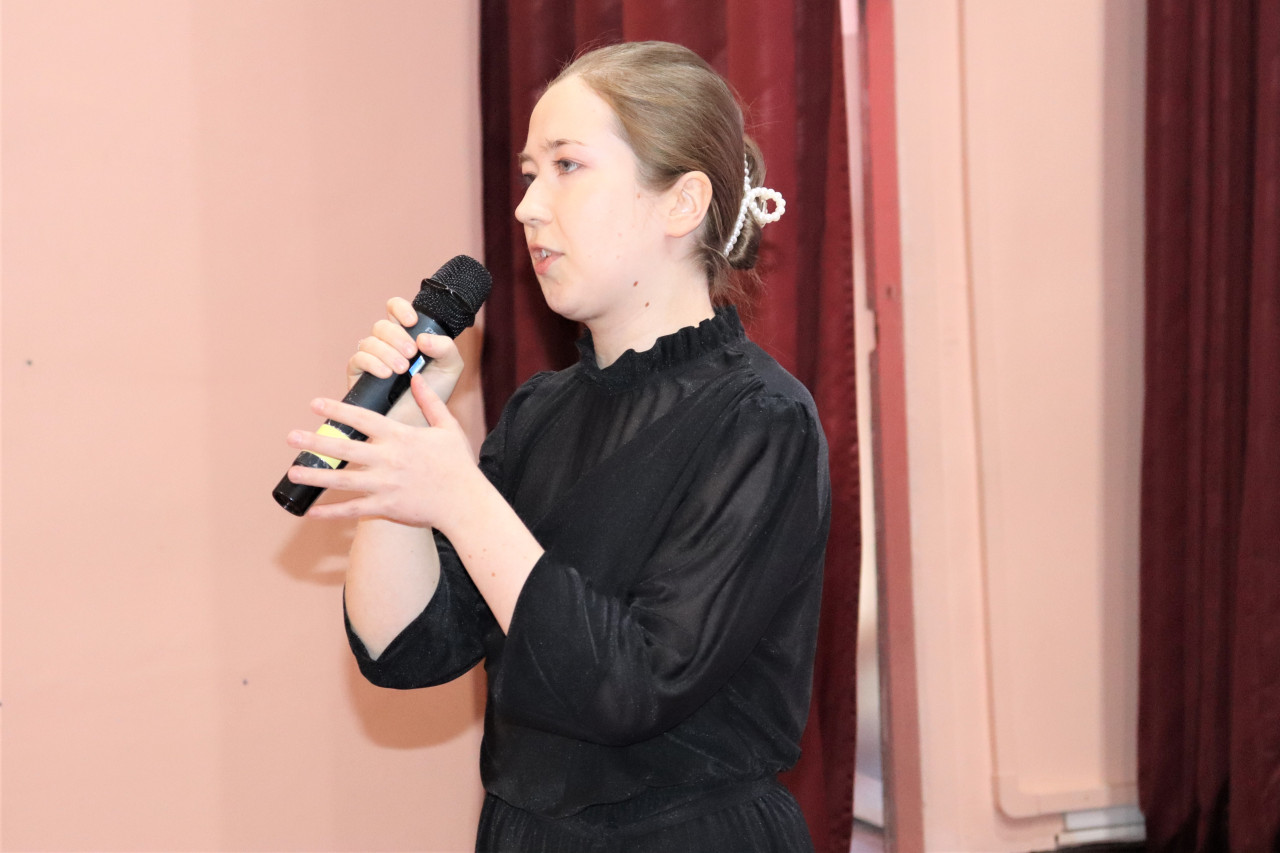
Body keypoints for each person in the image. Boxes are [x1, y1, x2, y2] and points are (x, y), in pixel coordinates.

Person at [285, 40, 831, 853]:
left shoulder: (761, 419)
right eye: (528, 174)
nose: (527, 208)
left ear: (682, 202)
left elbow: (632, 686)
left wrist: (463, 498)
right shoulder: (539, 412)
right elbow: (405, 651)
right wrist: (402, 430)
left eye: (567, 167)